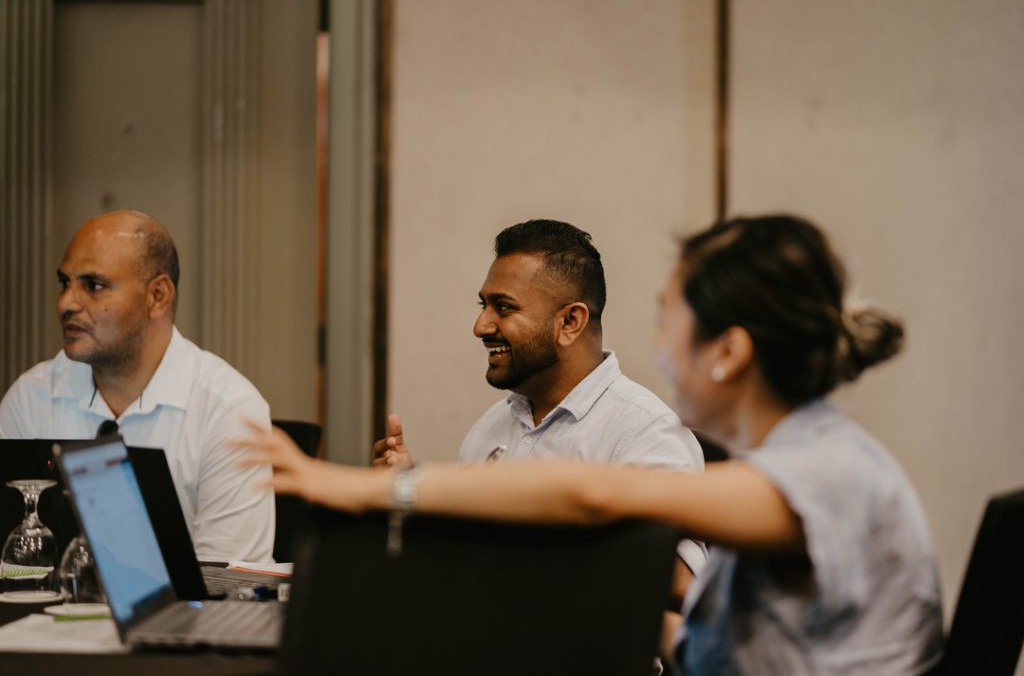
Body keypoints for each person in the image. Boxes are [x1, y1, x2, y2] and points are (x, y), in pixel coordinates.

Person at [236, 214, 944, 675]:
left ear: (727, 351)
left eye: (670, 323)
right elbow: (692, 641)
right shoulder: (801, 459)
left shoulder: (829, 473)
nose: (659, 349)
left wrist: (369, 486)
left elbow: (597, 496)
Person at [372, 219, 706, 576]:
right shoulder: (490, 428)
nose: (481, 326)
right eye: (483, 305)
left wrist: (529, 511)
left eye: (504, 308)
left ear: (570, 323)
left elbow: (683, 583)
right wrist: (416, 504)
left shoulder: (645, 432)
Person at [0, 210, 274, 562]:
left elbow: (227, 591)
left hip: (186, 617)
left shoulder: (229, 410)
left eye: (93, 285)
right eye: (64, 283)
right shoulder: (31, 397)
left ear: (157, 296)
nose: (65, 303)